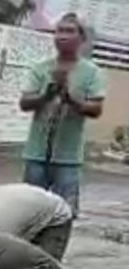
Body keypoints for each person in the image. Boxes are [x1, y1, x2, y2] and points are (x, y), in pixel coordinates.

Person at [20, 12, 105, 216]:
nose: (62, 36)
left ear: (82, 38)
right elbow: (24, 103)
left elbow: (96, 109)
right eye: (59, 31)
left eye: (69, 31)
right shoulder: (41, 68)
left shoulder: (92, 72)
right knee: (28, 212)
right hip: (36, 155)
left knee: (63, 215)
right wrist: (46, 95)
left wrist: (69, 97)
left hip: (68, 159)